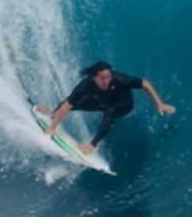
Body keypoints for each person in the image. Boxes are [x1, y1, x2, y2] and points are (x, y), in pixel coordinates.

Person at [37, 61, 176, 155]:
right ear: (94, 78)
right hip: (102, 101)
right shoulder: (85, 85)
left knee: (110, 112)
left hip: (124, 105)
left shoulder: (120, 79)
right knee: (71, 104)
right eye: (102, 78)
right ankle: (52, 112)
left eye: (108, 77)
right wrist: (52, 127)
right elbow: (68, 103)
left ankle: (92, 145)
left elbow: (145, 83)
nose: (106, 81)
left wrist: (160, 104)